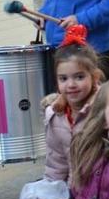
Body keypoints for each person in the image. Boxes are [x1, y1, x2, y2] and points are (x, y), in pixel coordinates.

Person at [42, 35, 103, 183]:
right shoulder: (55, 116)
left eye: (79, 77)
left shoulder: (106, 110)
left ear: (94, 77)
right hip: (75, 194)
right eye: (63, 78)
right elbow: (56, 164)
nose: (71, 84)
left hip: (107, 194)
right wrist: (50, 192)